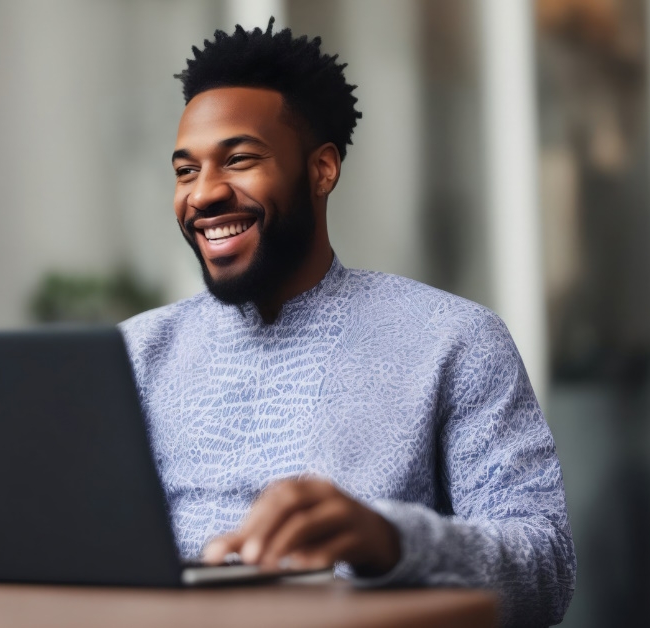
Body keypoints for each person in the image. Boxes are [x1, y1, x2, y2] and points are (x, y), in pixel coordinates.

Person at [120, 19, 575, 626]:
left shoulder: (453, 339)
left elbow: (545, 571)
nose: (203, 194)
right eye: (185, 170)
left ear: (322, 170)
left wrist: (390, 539)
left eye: (240, 160)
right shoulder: (138, 350)